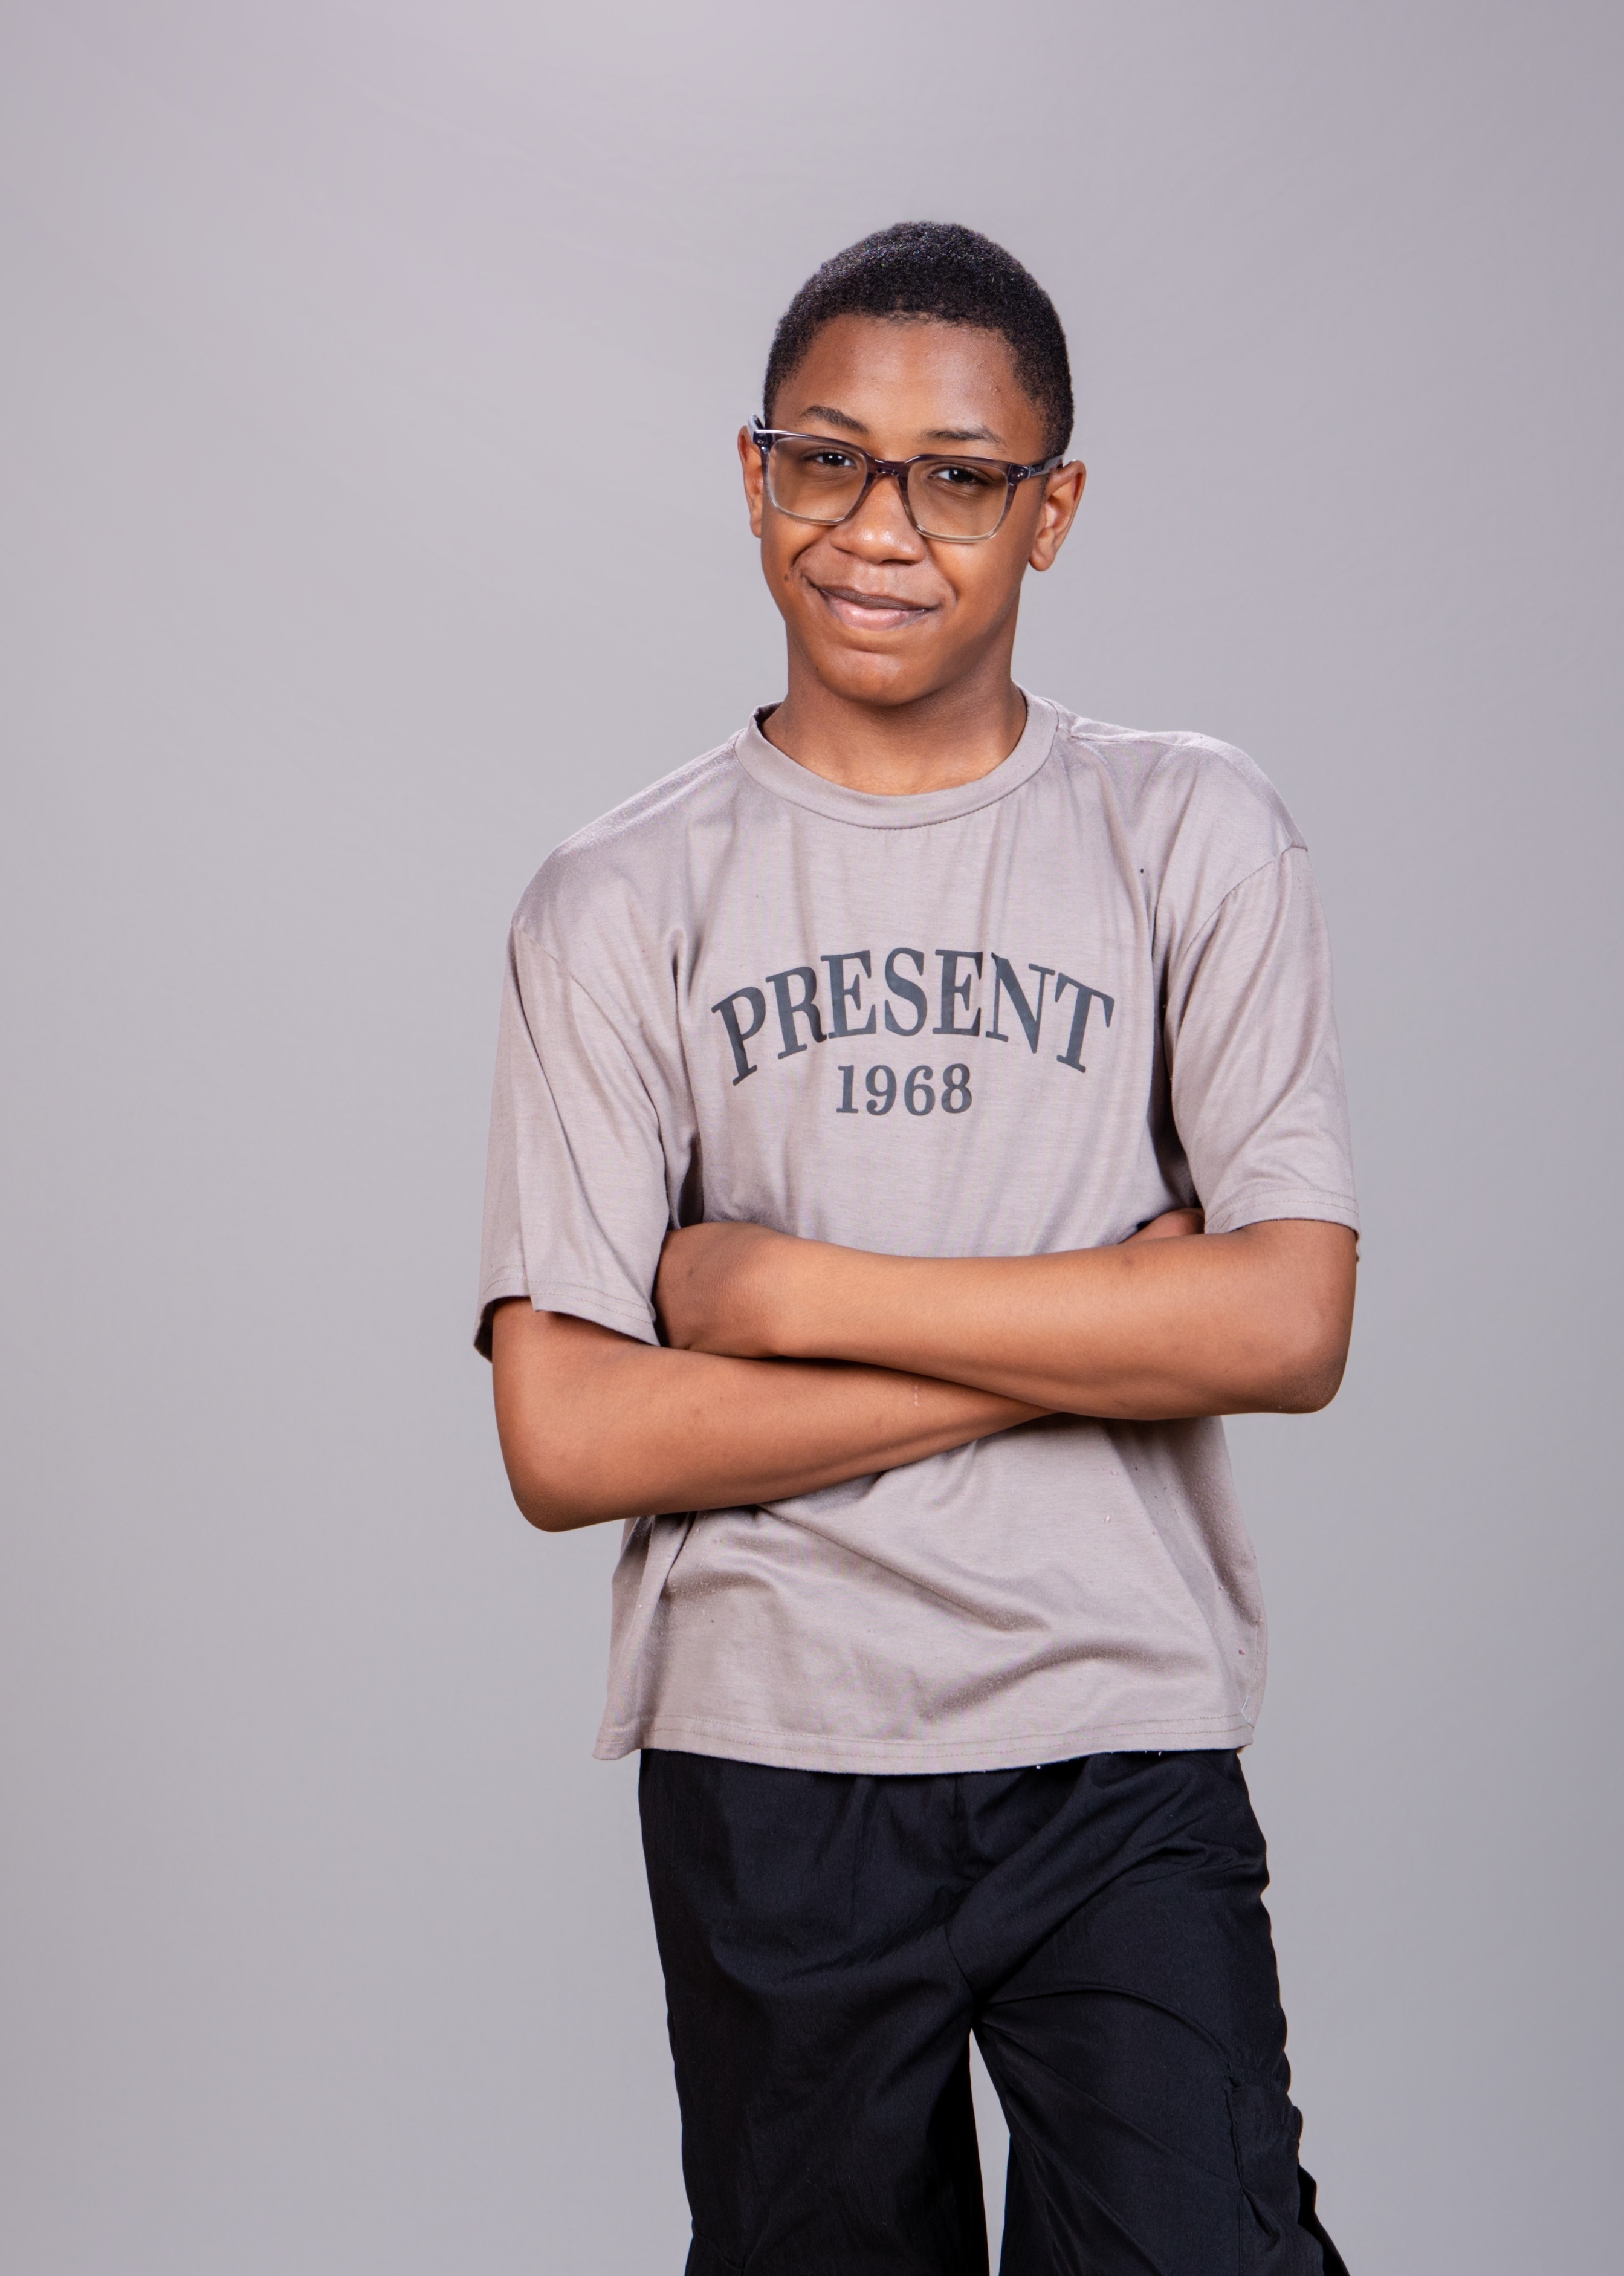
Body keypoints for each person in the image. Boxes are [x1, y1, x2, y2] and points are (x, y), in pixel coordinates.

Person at [477, 220, 1358, 2275]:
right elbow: (568, 1440)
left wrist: (785, 1299)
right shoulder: (615, 897)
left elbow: (1286, 1321)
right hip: (771, 1742)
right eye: (827, 459)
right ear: (753, 474)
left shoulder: (1188, 831)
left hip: (1112, 1727)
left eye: (958, 477)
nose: (879, 528)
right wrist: (1104, 1323)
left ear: (1049, 511)